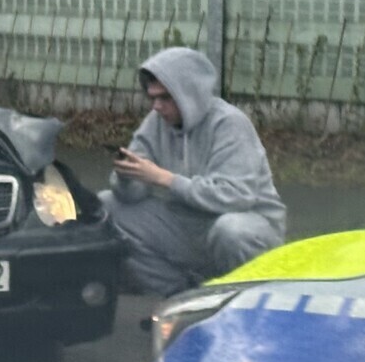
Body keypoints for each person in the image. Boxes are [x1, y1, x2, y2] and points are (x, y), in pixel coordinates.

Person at [101, 46, 286, 297]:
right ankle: (179, 298)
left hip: (249, 227)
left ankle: (244, 303)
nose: (156, 106)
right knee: (107, 206)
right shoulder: (156, 123)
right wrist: (126, 177)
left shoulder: (229, 123)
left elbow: (235, 196)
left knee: (231, 230)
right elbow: (133, 195)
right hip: (188, 226)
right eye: (152, 97)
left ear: (188, 94)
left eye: (165, 98)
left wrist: (164, 178)